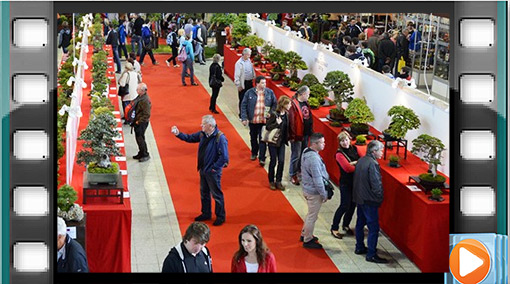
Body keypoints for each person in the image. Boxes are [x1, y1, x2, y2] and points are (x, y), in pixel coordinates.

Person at [171, 115, 229, 226]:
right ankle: (206, 213)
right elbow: (190, 138)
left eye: (203, 124)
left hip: (212, 172)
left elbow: (224, 157)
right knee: (204, 193)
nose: (201, 125)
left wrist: (214, 168)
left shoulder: (220, 138)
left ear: (210, 126)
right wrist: (178, 134)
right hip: (203, 169)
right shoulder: (203, 134)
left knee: (216, 194)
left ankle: (220, 216)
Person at [353, 140, 389, 263]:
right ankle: (371, 254)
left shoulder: (361, 160)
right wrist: (379, 198)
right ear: (374, 151)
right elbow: (376, 184)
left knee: (360, 223)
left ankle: (359, 247)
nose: (382, 152)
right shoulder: (373, 164)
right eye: (381, 150)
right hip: (369, 200)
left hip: (360, 198)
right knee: (373, 228)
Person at [330, 131, 364, 239]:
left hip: (355, 182)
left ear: (349, 139)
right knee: (344, 205)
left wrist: (354, 163)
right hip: (345, 183)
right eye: (342, 141)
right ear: (339, 143)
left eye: (346, 140)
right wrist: (356, 163)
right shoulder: (339, 154)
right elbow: (347, 168)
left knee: (353, 205)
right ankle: (334, 227)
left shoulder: (354, 149)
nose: (345, 142)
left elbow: (363, 160)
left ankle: (346, 224)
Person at [300, 133, 329, 249]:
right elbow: (317, 180)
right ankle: (307, 240)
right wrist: (324, 194)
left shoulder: (306, 151)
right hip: (313, 192)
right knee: (312, 216)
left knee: (310, 214)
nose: (324, 144)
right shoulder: (313, 159)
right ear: (315, 144)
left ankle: (305, 233)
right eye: (322, 142)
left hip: (307, 188)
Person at [241, 76, 277, 166]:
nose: (264, 84)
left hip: (264, 121)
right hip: (253, 120)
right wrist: (244, 118)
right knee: (253, 137)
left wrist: (271, 113)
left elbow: (274, 104)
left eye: (265, 83)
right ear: (257, 83)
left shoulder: (270, 92)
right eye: (262, 83)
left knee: (262, 139)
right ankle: (254, 152)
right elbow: (243, 105)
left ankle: (262, 158)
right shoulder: (249, 93)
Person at [288, 85, 313, 186]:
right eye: (308, 94)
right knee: (296, 155)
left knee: (303, 154)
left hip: (306, 133)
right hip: (297, 135)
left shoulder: (306, 103)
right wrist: (292, 136)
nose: (309, 96)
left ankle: (299, 170)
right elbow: (292, 122)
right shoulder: (293, 104)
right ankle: (292, 174)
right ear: (302, 94)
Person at [265, 96, 291, 190]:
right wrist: (277, 123)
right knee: (273, 161)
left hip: (282, 142)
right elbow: (268, 127)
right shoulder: (274, 114)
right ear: (283, 105)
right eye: (288, 104)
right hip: (273, 142)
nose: (290, 105)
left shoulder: (287, 115)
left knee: (281, 161)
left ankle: (278, 180)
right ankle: (271, 180)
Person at [234, 48, 256, 119]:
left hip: (250, 82)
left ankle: (249, 113)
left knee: (250, 98)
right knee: (242, 99)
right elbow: (237, 75)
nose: (249, 56)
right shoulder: (239, 63)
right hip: (243, 83)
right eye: (248, 54)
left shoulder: (249, 61)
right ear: (245, 54)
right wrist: (238, 85)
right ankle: (242, 115)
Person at [133, 83, 152, 162]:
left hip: (142, 122)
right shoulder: (140, 97)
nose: (136, 90)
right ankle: (141, 152)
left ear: (142, 91)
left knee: (141, 138)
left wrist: (138, 121)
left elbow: (147, 114)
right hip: (138, 120)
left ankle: (145, 154)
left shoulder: (145, 100)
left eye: (138, 89)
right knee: (139, 138)